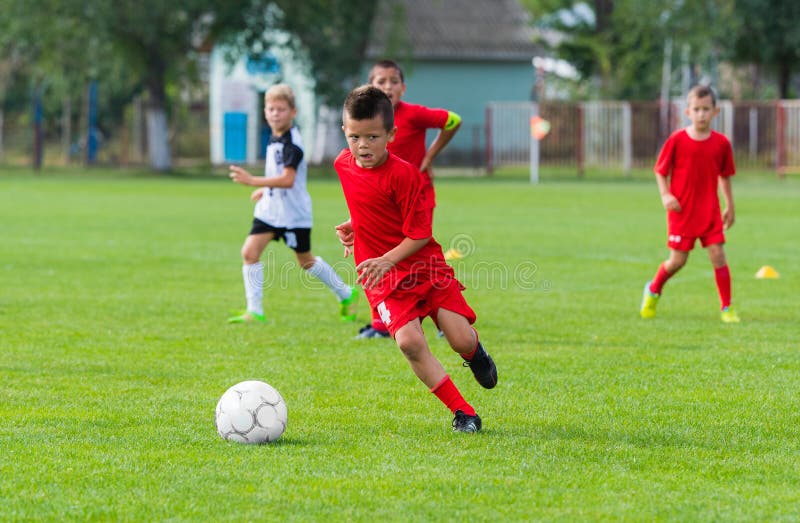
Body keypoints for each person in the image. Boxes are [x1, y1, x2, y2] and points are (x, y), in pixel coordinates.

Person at [334, 85, 497, 433]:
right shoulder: (342, 164)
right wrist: (354, 227)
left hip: (423, 265)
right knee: (409, 342)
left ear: (391, 135)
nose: (362, 146)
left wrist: (386, 259)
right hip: (384, 277)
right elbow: (366, 203)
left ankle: (476, 354)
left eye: (373, 137)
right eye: (354, 137)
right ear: (344, 131)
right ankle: (463, 412)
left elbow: (420, 233)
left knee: (460, 339)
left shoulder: (406, 174)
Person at [228, 84, 358, 324]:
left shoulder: (292, 143)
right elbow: (278, 173)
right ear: (265, 111)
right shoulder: (274, 136)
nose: (275, 113)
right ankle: (254, 310)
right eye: (271, 109)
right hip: (270, 210)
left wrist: (252, 180)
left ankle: (345, 292)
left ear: (293, 112)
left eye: (281, 109)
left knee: (305, 261)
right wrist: (265, 189)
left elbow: (288, 179)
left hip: (293, 214)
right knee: (249, 252)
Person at [356, 59, 463, 339]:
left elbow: (453, 120)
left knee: (422, 256)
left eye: (393, 81)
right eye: (381, 81)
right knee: (374, 255)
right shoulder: (368, 121)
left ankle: (447, 316)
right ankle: (381, 323)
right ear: (371, 87)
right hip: (382, 202)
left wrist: (430, 156)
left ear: (403, 87)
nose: (388, 86)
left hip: (417, 196)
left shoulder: (414, 114)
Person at [640, 85, 740, 323]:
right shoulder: (677, 140)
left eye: (706, 109)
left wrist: (730, 205)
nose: (701, 114)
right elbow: (660, 170)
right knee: (677, 261)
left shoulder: (722, 144)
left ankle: (727, 308)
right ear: (688, 112)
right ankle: (653, 290)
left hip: (710, 211)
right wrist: (665, 195)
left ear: (715, 112)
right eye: (697, 109)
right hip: (682, 212)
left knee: (718, 255)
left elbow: (724, 176)